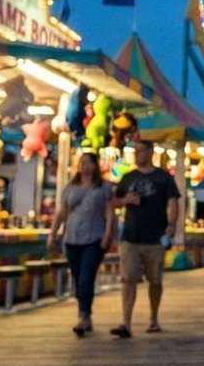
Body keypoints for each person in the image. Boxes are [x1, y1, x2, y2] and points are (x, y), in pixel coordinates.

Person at [109, 139, 181, 338]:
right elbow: (113, 201)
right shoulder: (127, 177)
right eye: (135, 151)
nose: (137, 154)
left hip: (155, 237)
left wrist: (171, 225)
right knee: (128, 279)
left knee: (155, 280)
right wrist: (125, 200)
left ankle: (153, 318)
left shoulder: (163, 178)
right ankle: (125, 322)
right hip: (130, 236)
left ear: (150, 152)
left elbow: (173, 202)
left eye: (140, 151)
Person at [47, 152, 115, 337]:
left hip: (94, 238)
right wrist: (53, 233)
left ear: (95, 166)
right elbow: (62, 212)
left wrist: (108, 235)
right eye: (81, 163)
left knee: (86, 277)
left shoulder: (103, 188)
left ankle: (84, 316)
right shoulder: (71, 187)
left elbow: (109, 213)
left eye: (86, 162)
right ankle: (85, 314)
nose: (83, 166)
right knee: (78, 279)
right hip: (72, 239)